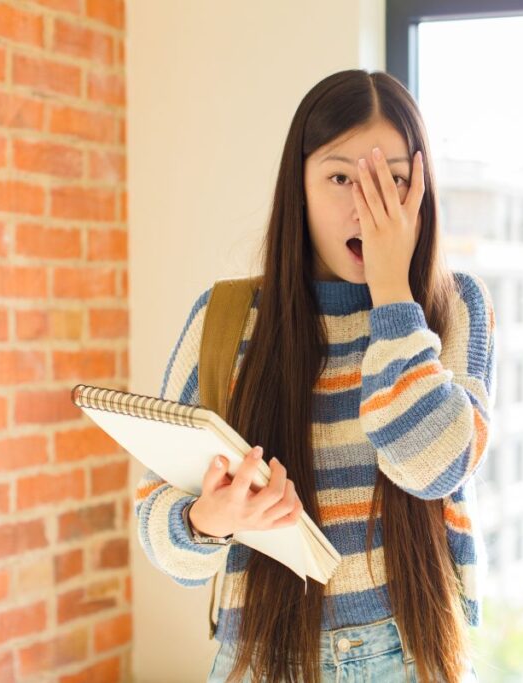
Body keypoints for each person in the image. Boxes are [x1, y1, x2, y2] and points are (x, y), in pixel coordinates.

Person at [133, 69, 496, 683]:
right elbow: (156, 524)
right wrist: (210, 520)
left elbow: (432, 468)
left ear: (421, 190)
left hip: (409, 655)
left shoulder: (453, 308)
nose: (367, 203)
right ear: (297, 188)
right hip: (262, 657)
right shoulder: (226, 319)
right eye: (339, 177)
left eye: (394, 180)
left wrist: (391, 293)